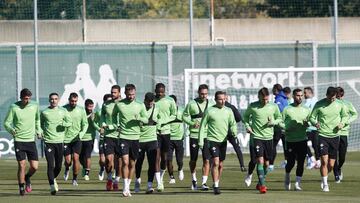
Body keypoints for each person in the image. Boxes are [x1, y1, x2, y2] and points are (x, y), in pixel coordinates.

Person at [3, 88, 42, 196]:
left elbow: (37, 119)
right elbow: (6, 123)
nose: (27, 100)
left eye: (29, 98)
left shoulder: (34, 105)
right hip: (19, 140)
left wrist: (39, 131)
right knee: (22, 164)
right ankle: (21, 187)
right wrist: (11, 130)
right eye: (25, 98)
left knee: (34, 167)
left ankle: (27, 177)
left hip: (31, 140)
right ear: (21, 98)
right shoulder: (14, 107)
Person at [243, 87, 282, 193]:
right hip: (257, 137)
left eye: (266, 99)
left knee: (267, 164)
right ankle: (263, 186)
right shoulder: (253, 106)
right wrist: (248, 126)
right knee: (260, 160)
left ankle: (260, 182)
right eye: (263, 99)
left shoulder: (273, 106)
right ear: (259, 97)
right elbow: (245, 117)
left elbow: (279, 118)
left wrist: (273, 122)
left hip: (269, 138)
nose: (265, 101)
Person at [309, 86, 348, 192]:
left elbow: (345, 116)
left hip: (335, 136)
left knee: (331, 164)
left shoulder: (340, 104)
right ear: (327, 95)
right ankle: (326, 184)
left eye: (334, 98)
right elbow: (311, 117)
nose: (332, 100)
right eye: (331, 97)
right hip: (322, 136)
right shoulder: (319, 104)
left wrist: (342, 123)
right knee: (324, 162)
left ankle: (324, 177)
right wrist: (315, 123)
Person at [199, 91, 237, 195]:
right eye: (220, 99)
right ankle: (216, 186)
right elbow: (202, 126)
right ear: (216, 100)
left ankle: (216, 182)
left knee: (220, 164)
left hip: (223, 141)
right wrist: (201, 141)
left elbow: (233, 123)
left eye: (224, 99)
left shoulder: (228, 111)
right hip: (212, 140)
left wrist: (234, 131)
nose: (222, 101)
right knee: (215, 162)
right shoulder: (210, 111)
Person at [115, 84, 148, 197]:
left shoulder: (140, 105)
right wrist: (115, 125)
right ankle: (125, 187)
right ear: (125, 94)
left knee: (132, 163)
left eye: (133, 94)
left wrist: (139, 119)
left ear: (135, 93)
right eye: (129, 95)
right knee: (125, 162)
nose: (131, 96)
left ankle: (128, 186)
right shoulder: (119, 104)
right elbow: (113, 116)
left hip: (135, 138)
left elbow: (146, 119)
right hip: (124, 136)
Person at [182, 84, 214, 191]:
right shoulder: (191, 104)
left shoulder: (212, 103)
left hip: (207, 135)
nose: (204, 96)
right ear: (198, 93)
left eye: (205, 94)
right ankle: (194, 180)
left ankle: (204, 182)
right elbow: (184, 116)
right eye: (202, 94)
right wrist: (191, 123)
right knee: (193, 159)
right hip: (194, 135)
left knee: (207, 159)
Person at [41, 92, 72, 195]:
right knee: (50, 165)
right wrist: (40, 132)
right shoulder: (45, 112)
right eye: (51, 99)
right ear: (49, 100)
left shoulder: (63, 111)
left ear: (58, 100)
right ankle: (52, 186)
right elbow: (40, 124)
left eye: (55, 99)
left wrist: (64, 124)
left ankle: (53, 179)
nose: (53, 101)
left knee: (58, 166)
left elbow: (70, 123)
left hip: (60, 142)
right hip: (49, 142)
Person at [280, 88, 310, 191]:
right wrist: (286, 128)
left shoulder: (306, 109)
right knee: (291, 162)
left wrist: (308, 124)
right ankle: (287, 175)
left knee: (301, 162)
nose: (300, 97)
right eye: (298, 95)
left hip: (302, 139)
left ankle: (297, 184)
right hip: (290, 140)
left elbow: (310, 123)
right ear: (293, 96)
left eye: (301, 95)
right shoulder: (287, 109)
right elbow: (280, 122)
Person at [134, 92, 161, 194]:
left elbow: (160, 118)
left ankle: (149, 185)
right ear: (144, 100)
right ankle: (137, 180)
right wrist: (140, 120)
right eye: (148, 101)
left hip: (152, 139)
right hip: (140, 139)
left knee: (152, 163)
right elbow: (136, 119)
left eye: (152, 101)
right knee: (139, 163)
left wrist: (158, 125)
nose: (150, 103)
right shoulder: (140, 107)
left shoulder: (156, 108)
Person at [154, 83, 177, 191]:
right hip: (155, 133)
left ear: (165, 91)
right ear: (155, 91)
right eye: (158, 92)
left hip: (167, 132)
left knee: (164, 159)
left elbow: (174, 115)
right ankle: (159, 183)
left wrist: (163, 121)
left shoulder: (170, 101)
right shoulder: (152, 100)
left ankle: (161, 177)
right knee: (156, 157)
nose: (160, 94)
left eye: (162, 92)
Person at [63, 93, 88, 186]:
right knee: (68, 161)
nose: (73, 103)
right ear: (69, 99)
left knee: (76, 158)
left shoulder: (81, 110)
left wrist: (81, 134)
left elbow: (85, 124)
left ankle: (74, 179)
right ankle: (66, 168)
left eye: (75, 101)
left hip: (77, 138)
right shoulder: (63, 109)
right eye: (72, 101)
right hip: (65, 139)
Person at [333, 87, 358, 183]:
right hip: (333, 133)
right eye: (336, 96)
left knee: (342, 156)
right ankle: (336, 174)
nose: (337, 98)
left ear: (342, 95)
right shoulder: (331, 104)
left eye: (339, 96)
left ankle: (338, 168)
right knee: (334, 154)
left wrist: (346, 121)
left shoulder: (347, 104)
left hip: (344, 132)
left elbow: (355, 114)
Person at [100, 85, 122, 191]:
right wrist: (103, 123)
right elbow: (102, 116)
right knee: (109, 160)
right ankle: (109, 179)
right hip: (108, 136)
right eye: (112, 92)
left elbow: (121, 123)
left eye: (115, 92)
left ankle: (116, 181)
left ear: (119, 93)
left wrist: (110, 126)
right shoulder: (106, 104)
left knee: (119, 162)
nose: (113, 94)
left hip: (121, 136)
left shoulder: (123, 104)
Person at [80, 99, 101, 181]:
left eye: (92, 106)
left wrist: (94, 122)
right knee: (81, 157)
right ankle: (84, 167)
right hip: (81, 137)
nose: (90, 108)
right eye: (89, 106)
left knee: (87, 156)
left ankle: (87, 174)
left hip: (90, 138)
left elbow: (97, 124)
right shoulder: (81, 113)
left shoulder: (94, 115)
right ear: (85, 106)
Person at [269, 84, 288, 171]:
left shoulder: (279, 99)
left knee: (272, 146)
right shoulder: (284, 98)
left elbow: (279, 111)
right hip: (285, 126)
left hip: (279, 127)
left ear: (276, 89)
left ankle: (271, 164)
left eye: (273, 89)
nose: (272, 91)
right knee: (285, 146)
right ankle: (287, 162)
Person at [167, 95, 185, 184]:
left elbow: (187, 120)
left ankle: (180, 169)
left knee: (179, 160)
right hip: (168, 138)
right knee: (168, 159)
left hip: (179, 138)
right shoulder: (166, 111)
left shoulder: (181, 110)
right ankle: (172, 177)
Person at [225, 99, 246, 172]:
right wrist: (232, 122)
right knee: (237, 148)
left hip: (220, 131)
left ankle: (213, 166)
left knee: (218, 149)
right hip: (231, 131)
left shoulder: (214, 107)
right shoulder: (231, 107)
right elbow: (239, 118)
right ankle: (242, 165)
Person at [303, 87, 320, 169]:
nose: (304, 94)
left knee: (316, 145)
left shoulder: (314, 101)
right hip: (307, 128)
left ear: (310, 93)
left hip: (315, 127)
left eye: (305, 93)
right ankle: (312, 160)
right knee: (304, 144)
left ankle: (318, 161)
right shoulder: (306, 102)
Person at [98, 94, 112, 181]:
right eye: (108, 101)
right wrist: (99, 128)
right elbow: (94, 122)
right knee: (103, 160)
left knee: (111, 160)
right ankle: (102, 168)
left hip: (113, 137)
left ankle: (111, 175)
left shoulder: (115, 111)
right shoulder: (100, 112)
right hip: (103, 138)